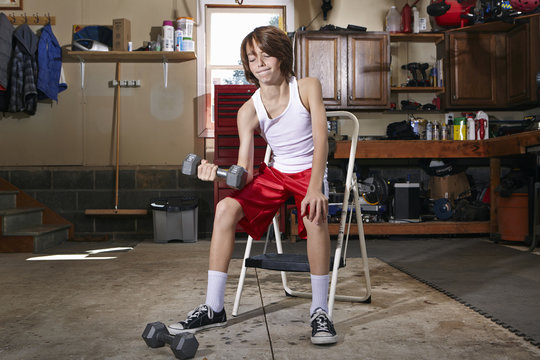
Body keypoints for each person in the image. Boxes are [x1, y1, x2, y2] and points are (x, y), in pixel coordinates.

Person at [168, 25, 336, 345]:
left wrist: (315, 187)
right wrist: (215, 172)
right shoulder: (248, 111)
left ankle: (319, 310)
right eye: (251, 57)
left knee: (314, 213)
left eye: (266, 54)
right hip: (275, 174)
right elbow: (244, 173)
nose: (259, 62)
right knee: (225, 208)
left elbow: (321, 141)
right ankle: (214, 307)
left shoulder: (307, 87)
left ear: (282, 56)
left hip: (308, 171)